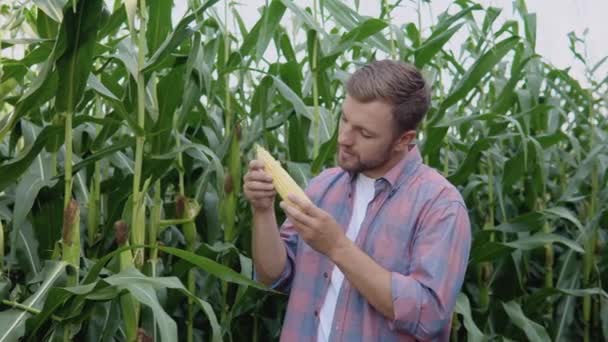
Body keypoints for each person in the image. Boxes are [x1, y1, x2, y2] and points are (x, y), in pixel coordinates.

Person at [243, 60, 471, 342]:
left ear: (404, 139)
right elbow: (274, 277)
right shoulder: (323, 187)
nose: (344, 138)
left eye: (364, 133)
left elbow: (429, 316)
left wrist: (337, 247)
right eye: (344, 119)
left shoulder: (440, 206)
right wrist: (262, 210)